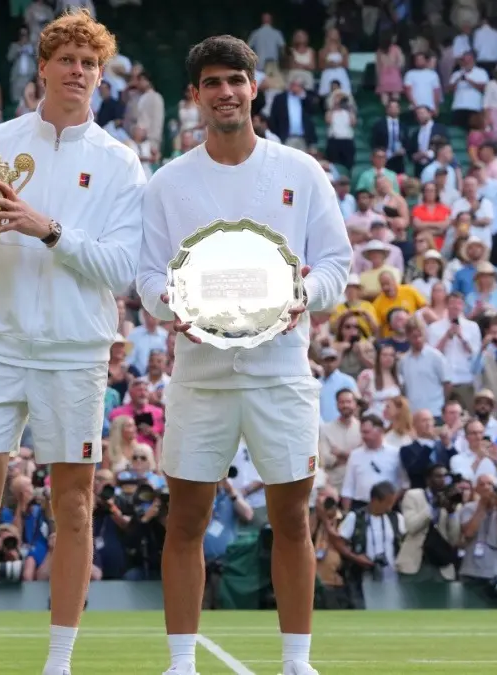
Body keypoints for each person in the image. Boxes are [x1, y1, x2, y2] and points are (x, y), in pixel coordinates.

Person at [0, 10, 145, 675]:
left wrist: (46, 229)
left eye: (89, 63)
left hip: (76, 351)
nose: (77, 72)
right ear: (43, 66)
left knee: (73, 503)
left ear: (101, 77)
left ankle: (59, 662)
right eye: (67, 59)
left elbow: (121, 270)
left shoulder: (119, 163)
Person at [137, 36, 352, 675]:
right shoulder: (169, 182)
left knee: (291, 518)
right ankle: (181, 662)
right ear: (196, 95)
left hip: (281, 369)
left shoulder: (301, 170)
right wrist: (174, 309)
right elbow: (149, 278)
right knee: (186, 521)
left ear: (254, 87)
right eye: (212, 82)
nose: (225, 91)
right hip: (199, 376)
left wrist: (300, 296)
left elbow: (338, 265)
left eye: (236, 79)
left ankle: (296, 662)